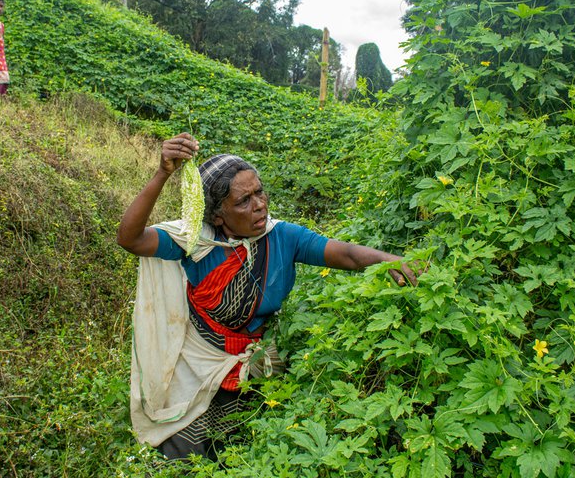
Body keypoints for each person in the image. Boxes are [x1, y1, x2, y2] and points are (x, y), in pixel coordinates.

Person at [118, 133, 420, 462]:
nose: (259, 204)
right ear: (218, 215)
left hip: (255, 355)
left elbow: (345, 254)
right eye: (243, 201)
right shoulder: (196, 242)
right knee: (185, 453)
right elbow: (130, 238)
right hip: (198, 360)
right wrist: (163, 173)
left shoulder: (283, 237)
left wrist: (388, 260)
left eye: (259, 191)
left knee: (252, 439)